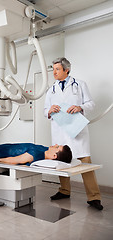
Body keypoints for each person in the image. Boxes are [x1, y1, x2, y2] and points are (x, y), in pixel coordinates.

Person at [44, 57, 103, 210]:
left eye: (57, 69)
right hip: (60, 132)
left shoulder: (80, 85)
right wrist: (49, 111)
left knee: (85, 164)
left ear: (66, 70)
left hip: (77, 131)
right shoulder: (51, 90)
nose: (54, 72)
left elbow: (91, 104)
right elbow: (45, 111)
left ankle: (94, 197)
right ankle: (64, 191)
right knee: (61, 163)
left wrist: (80, 107)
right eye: (53, 69)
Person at [0, 143, 72, 165]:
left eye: (57, 147)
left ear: (54, 156)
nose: (55, 145)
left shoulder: (35, 154)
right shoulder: (45, 149)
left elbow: (14, 160)